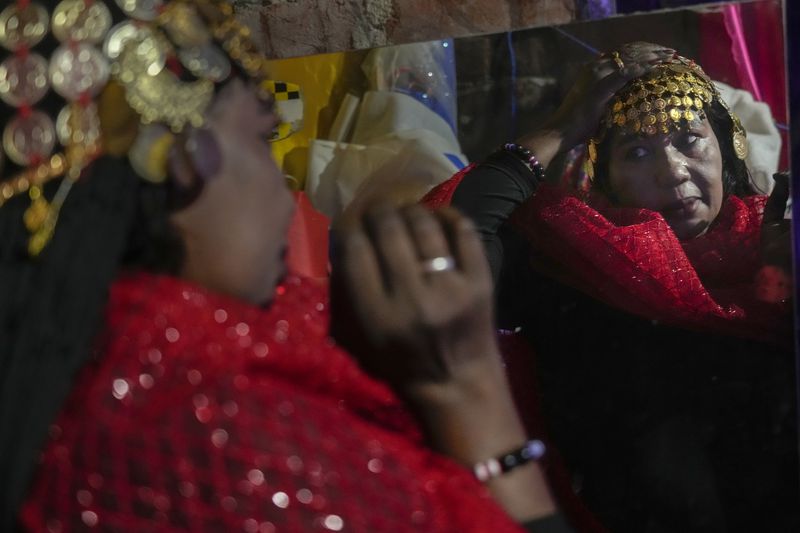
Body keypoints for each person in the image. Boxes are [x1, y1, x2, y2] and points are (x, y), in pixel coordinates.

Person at [0, 1, 574, 532]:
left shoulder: (75, 362)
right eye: (261, 139)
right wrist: (469, 389)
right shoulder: (224, 438)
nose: (285, 196)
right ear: (181, 160)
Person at [423, 42, 798, 532]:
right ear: (601, 173)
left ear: (724, 144)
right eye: (636, 152)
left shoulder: (772, 243)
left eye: (689, 139)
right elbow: (450, 247)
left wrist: (782, 281)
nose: (673, 171)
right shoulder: (565, 266)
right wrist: (563, 128)